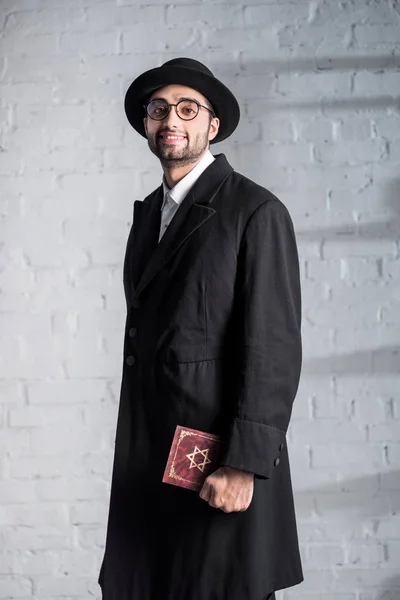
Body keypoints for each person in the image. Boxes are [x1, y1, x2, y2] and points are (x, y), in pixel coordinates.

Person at [98, 57, 303, 600]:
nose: (172, 120)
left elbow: (273, 349)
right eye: (159, 109)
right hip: (148, 453)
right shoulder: (148, 215)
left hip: (214, 458)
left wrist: (244, 465)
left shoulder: (254, 211)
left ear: (212, 126)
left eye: (188, 109)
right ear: (146, 124)